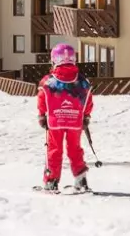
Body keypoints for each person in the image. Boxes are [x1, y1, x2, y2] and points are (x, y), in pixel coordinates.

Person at [37, 43, 93, 192]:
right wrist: (86, 116)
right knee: (75, 149)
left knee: (54, 150)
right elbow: (88, 99)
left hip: (55, 121)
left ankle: (51, 181)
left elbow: (42, 98)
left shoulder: (48, 81)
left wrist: (42, 116)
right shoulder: (82, 81)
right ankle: (81, 180)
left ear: (54, 60)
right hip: (75, 121)